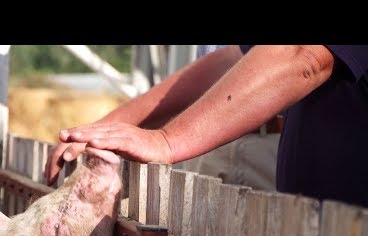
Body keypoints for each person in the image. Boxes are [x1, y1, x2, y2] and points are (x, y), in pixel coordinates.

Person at [45, 45, 368, 208]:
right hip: (318, 229)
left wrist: (167, 141)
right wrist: (105, 128)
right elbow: (235, 61)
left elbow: (304, 54)